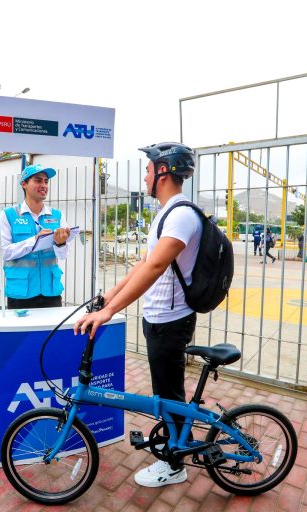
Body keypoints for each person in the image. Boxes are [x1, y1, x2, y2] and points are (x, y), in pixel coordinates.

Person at [74, 142, 202, 488]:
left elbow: (157, 266)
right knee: (165, 393)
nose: (145, 175)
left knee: (168, 395)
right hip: (159, 320)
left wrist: (110, 312)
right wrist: (109, 296)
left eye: (148, 169)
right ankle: (177, 445)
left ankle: (175, 464)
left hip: (171, 322)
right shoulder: (165, 214)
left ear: (163, 171)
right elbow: (145, 264)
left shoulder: (181, 215)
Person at [0, 164, 71, 309]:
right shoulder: (9, 215)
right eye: (38, 180)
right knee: (22, 333)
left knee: (51, 332)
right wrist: (35, 240)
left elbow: (63, 255)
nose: (44, 185)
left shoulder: (57, 215)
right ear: (24, 184)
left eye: (46, 181)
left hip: (51, 292)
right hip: (20, 293)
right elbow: (5, 252)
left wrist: (60, 244)